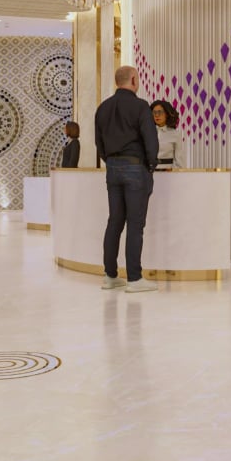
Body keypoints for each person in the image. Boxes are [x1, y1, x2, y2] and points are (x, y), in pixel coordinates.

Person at [94, 66, 160, 293]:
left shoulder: (102, 108)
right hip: (135, 168)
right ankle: (134, 278)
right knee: (135, 224)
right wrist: (151, 165)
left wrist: (111, 161)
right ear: (133, 79)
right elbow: (151, 140)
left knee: (114, 222)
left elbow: (98, 144)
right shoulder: (140, 106)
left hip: (112, 168)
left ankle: (110, 276)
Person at [149, 100, 186, 169]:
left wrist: (180, 175)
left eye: (160, 112)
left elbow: (179, 159)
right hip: (149, 173)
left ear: (167, 113)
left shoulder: (175, 134)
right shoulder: (146, 132)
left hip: (168, 174)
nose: (157, 115)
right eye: (154, 112)